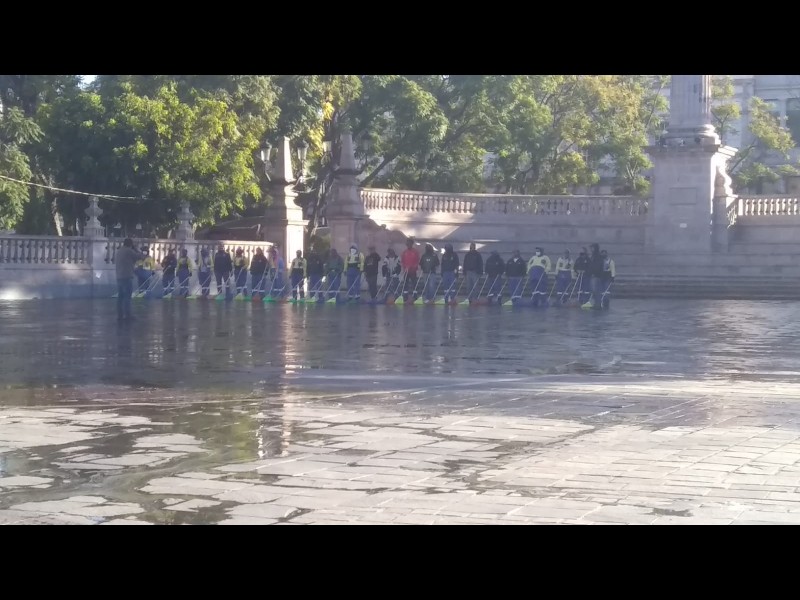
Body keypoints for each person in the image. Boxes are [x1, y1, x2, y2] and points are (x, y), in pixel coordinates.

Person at [115, 238, 145, 321]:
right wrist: (136, 249)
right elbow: (141, 257)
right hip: (127, 276)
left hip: (119, 277)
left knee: (120, 297)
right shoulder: (129, 251)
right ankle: (128, 315)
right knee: (127, 297)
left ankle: (120, 315)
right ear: (131, 244)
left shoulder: (119, 251)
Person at [583, 243, 605, 310]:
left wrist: (593, 272)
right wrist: (586, 255)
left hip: (596, 276)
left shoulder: (598, 256)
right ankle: (595, 304)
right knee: (593, 291)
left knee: (596, 291)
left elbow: (596, 266)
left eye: (592, 248)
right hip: (593, 275)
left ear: (595, 248)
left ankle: (597, 305)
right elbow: (590, 263)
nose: (591, 249)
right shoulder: (594, 256)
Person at [400, 238, 421, 302]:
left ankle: (415, 296)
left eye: (409, 243)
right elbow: (402, 261)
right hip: (406, 271)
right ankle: (405, 297)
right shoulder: (404, 252)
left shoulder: (415, 252)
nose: (408, 244)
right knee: (405, 284)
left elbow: (417, 261)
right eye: (407, 243)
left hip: (413, 271)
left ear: (412, 244)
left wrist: (413, 267)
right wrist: (404, 267)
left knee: (414, 284)